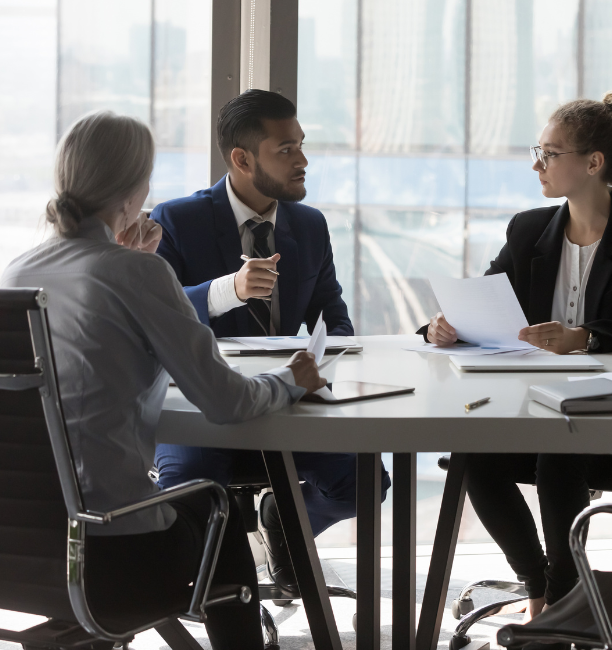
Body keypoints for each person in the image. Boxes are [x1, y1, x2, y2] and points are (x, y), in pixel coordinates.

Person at [1, 111, 326, 650]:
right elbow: (225, 401)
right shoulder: (136, 273)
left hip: (23, 552)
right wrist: (290, 379)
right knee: (215, 510)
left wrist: (133, 265)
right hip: (112, 554)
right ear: (134, 190)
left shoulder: (18, 273)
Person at [422, 90, 612, 624]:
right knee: (471, 455)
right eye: (537, 151)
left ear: (593, 163)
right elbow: (488, 298)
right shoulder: (529, 228)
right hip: (532, 400)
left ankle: (561, 602)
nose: (538, 164)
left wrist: (581, 337)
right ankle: (537, 583)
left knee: (559, 455)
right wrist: (443, 326)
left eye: (549, 153)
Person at [151, 89, 387, 599]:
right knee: (189, 492)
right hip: (204, 404)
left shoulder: (309, 224)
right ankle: (220, 586)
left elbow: (334, 316)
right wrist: (225, 291)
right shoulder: (175, 221)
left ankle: (286, 518)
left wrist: (329, 357)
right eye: (287, 149)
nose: (303, 160)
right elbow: (155, 316)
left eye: (301, 145)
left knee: (367, 483)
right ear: (241, 159)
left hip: (289, 399)